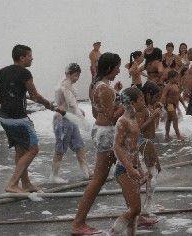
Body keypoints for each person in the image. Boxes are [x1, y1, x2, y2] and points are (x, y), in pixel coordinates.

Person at [0, 44, 61, 193]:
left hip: (5, 118)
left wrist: (4, 92)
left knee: (21, 150)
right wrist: (48, 104)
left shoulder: (2, 72)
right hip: (18, 119)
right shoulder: (25, 73)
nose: (32, 58)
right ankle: (12, 184)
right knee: (33, 149)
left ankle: (26, 183)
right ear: (21, 58)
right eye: (29, 56)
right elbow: (34, 96)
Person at [72, 52, 124, 235]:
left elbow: (97, 113)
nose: (119, 70)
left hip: (101, 131)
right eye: (117, 67)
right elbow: (111, 117)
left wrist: (116, 94)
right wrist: (125, 103)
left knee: (127, 172)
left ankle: (135, 213)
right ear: (109, 67)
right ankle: (78, 223)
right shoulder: (105, 89)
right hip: (108, 134)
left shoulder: (96, 85)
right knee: (101, 178)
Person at [109, 87, 151, 235]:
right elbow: (117, 147)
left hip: (132, 166)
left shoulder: (133, 118)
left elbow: (133, 147)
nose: (144, 102)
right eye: (140, 100)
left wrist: (139, 167)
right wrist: (129, 168)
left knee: (133, 212)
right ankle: (113, 233)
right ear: (132, 102)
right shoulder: (123, 121)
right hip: (123, 169)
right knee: (135, 209)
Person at [50, 63, 91, 183]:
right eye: (75, 75)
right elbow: (71, 104)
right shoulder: (65, 86)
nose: (76, 78)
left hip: (70, 119)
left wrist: (79, 111)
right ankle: (54, 175)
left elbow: (71, 105)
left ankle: (86, 173)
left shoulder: (67, 85)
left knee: (80, 146)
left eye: (78, 75)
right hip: (62, 121)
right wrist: (82, 119)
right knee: (60, 149)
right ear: (68, 74)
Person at [137, 81, 163, 212]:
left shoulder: (148, 106)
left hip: (148, 142)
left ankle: (148, 204)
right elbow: (138, 128)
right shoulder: (141, 108)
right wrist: (153, 117)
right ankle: (145, 206)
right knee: (151, 174)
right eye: (155, 97)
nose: (157, 100)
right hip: (143, 142)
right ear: (147, 94)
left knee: (154, 172)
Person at [160, 70, 185, 141]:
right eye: (176, 78)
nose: (177, 79)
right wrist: (160, 105)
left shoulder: (176, 85)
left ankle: (167, 135)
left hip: (174, 105)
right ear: (171, 78)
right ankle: (178, 135)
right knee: (175, 119)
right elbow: (163, 96)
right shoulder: (168, 86)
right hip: (169, 105)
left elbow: (179, 96)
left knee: (169, 120)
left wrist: (184, 106)